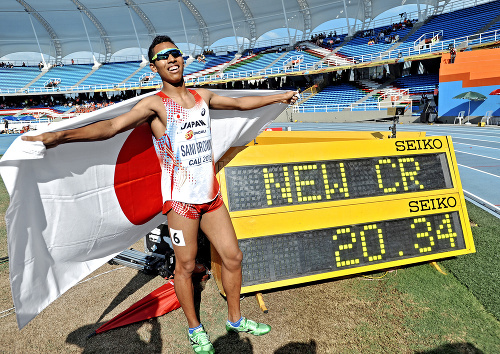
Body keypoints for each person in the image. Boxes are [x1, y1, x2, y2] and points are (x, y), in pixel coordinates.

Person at [22, 35, 298, 354]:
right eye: (163, 56)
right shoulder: (154, 105)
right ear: (155, 66)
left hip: (211, 197)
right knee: (186, 267)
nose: (171, 59)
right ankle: (196, 330)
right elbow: (112, 127)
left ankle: (235, 320)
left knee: (233, 257)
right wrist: (60, 136)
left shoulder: (201, 96)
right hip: (181, 204)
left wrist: (278, 97)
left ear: (182, 58)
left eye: (175, 53)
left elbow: (238, 104)